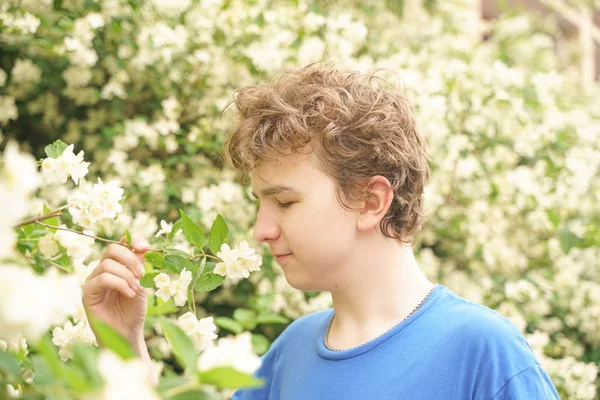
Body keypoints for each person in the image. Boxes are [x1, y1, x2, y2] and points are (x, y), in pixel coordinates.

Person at [82, 64, 560, 399]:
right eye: (260, 202)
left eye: (285, 201)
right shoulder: (289, 353)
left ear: (370, 202)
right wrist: (126, 348)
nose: (260, 231)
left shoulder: (480, 350)